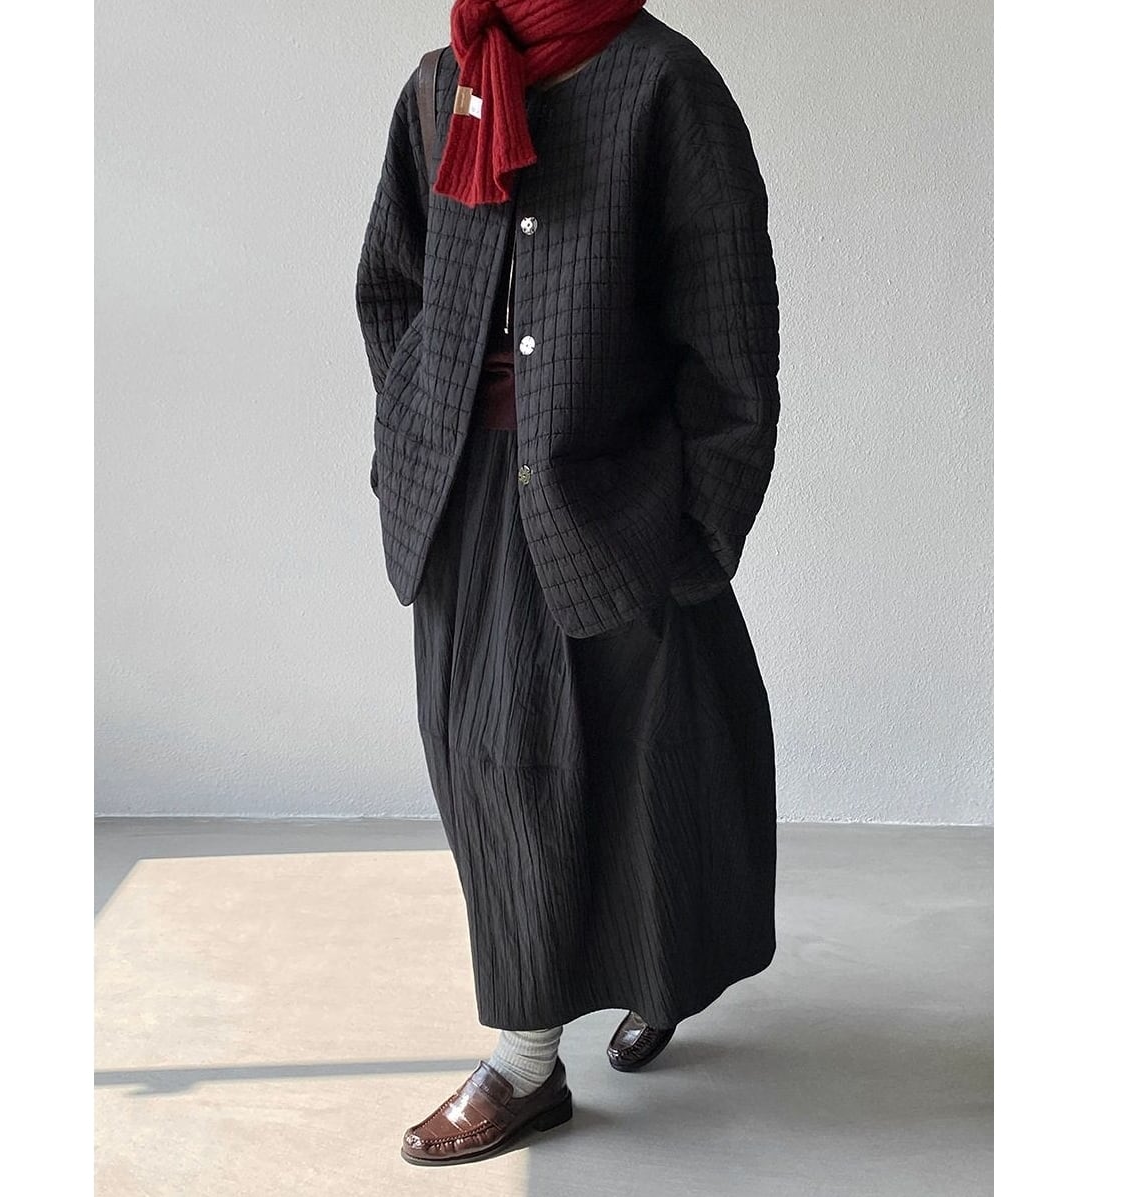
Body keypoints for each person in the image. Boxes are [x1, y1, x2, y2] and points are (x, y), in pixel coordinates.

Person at [355, 0, 781, 1166]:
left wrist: (697, 526)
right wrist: (419, 424)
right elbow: (392, 283)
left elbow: (730, 329)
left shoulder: (663, 84)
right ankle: (533, 1053)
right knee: (495, 766)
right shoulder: (441, 84)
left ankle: (602, 1011)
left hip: (617, 500)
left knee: (657, 766)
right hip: (462, 496)